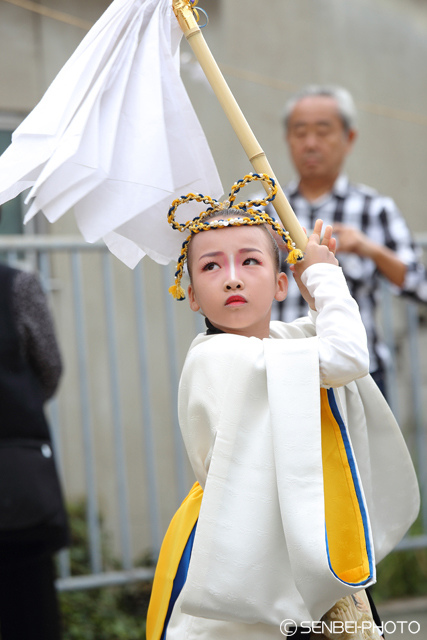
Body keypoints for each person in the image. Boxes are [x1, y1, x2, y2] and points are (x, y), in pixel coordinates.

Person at [146, 175, 419, 640]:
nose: (232, 275)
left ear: (278, 285)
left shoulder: (280, 344)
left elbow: (325, 349)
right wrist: (326, 277)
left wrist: (317, 303)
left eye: (249, 260)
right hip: (244, 545)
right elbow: (346, 357)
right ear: (191, 295)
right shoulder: (216, 356)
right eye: (211, 267)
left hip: (293, 532)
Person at [270, 85, 426, 395]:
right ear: (288, 138)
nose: (310, 143)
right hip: (280, 369)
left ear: (349, 138)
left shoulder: (374, 208)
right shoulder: (265, 210)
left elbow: (420, 286)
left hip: (358, 377)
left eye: (323, 131)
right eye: (300, 132)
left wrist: (371, 250)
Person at [0, 256, 69, 640]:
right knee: (28, 611)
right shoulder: (16, 285)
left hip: (14, 487)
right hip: (15, 480)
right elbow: (49, 370)